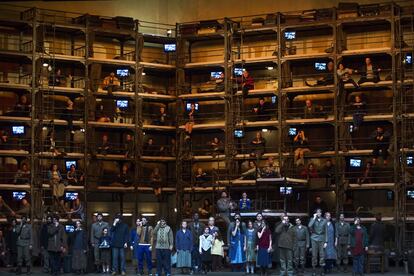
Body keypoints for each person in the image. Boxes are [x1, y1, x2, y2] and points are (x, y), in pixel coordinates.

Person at [308, 208, 327, 276]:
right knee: (314, 255)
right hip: (314, 238)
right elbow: (309, 226)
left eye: (319, 212)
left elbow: (326, 232)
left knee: (322, 255)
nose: (318, 213)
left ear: (321, 213)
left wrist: (326, 242)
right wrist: (314, 217)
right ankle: (314, 271)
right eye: (317, 212)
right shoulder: (312, 219)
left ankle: (322, 271)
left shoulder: (324, 220)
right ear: (315, 213)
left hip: (322, 238)